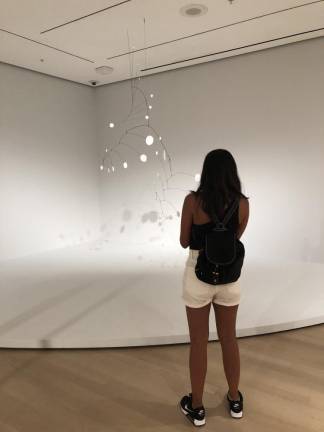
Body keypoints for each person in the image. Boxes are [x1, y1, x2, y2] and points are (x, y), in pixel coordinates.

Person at [179, 149, 250, 427]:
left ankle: (197, 408)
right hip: (230, 277)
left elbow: (184, 241)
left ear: (206, 171)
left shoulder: (193, 201)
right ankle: (234, 400)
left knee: (199, 342)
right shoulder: (243, 204)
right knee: (229, 338)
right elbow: (234, 238)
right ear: (233, 173)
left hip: (198, 275)